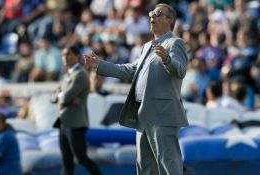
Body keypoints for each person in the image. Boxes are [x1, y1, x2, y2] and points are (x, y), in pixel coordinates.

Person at [84, 3, 188, 175]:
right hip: (143, 112)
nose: (152, 16)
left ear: (169, 20)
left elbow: (181, 71)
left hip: (163, 114)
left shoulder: (174, 43)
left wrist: (167, 60)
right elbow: (131, 70)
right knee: (144, 167)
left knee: (168, 166)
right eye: (151, 13)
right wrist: (100, 64)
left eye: (157, 13)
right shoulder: (147, 46)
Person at [51, 45, 102, 175]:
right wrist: (62, 95)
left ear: (77, 56)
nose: (64, 57)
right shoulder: (68, 74)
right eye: (63, 54)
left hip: (75, 123)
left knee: (81, 159)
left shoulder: (80, 74)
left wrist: (61, 95)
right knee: (66, 161)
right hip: (64, 122)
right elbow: (54, 97)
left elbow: (65, 96)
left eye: (68, 54)